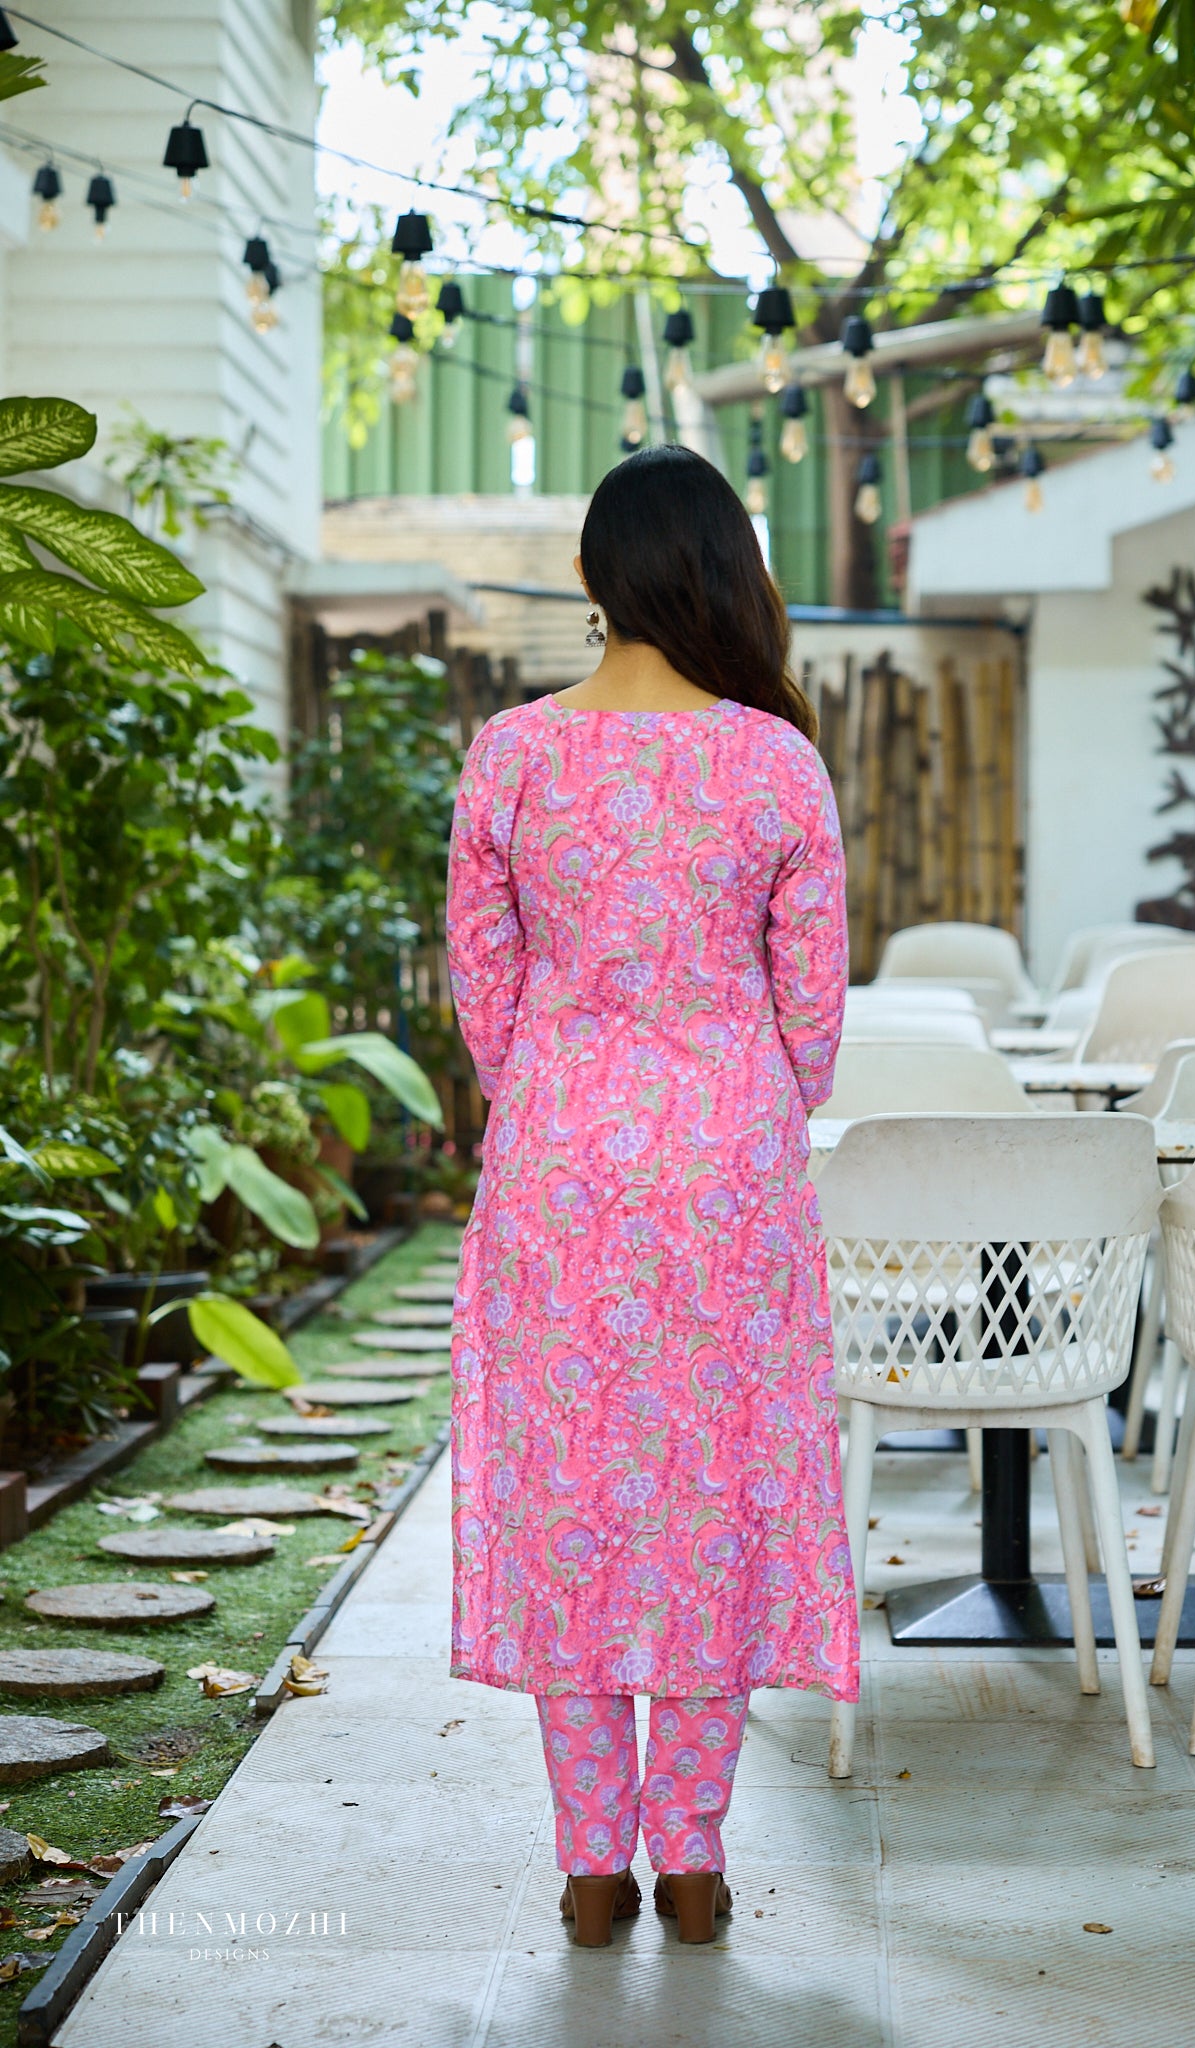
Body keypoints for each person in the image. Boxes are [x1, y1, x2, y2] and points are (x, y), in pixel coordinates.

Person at [445, 444, 858, 1950]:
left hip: (558, 1160)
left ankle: (588, 1870)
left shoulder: (511, 756)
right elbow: (812, 1014)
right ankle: (689, 1863)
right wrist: (738, 1103)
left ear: (588, 575)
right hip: (728, 1165)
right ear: (730, 570)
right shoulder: (774, 762)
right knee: (708, 1502)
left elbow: (483, 992)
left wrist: (558, 1091)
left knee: (572, 1499)